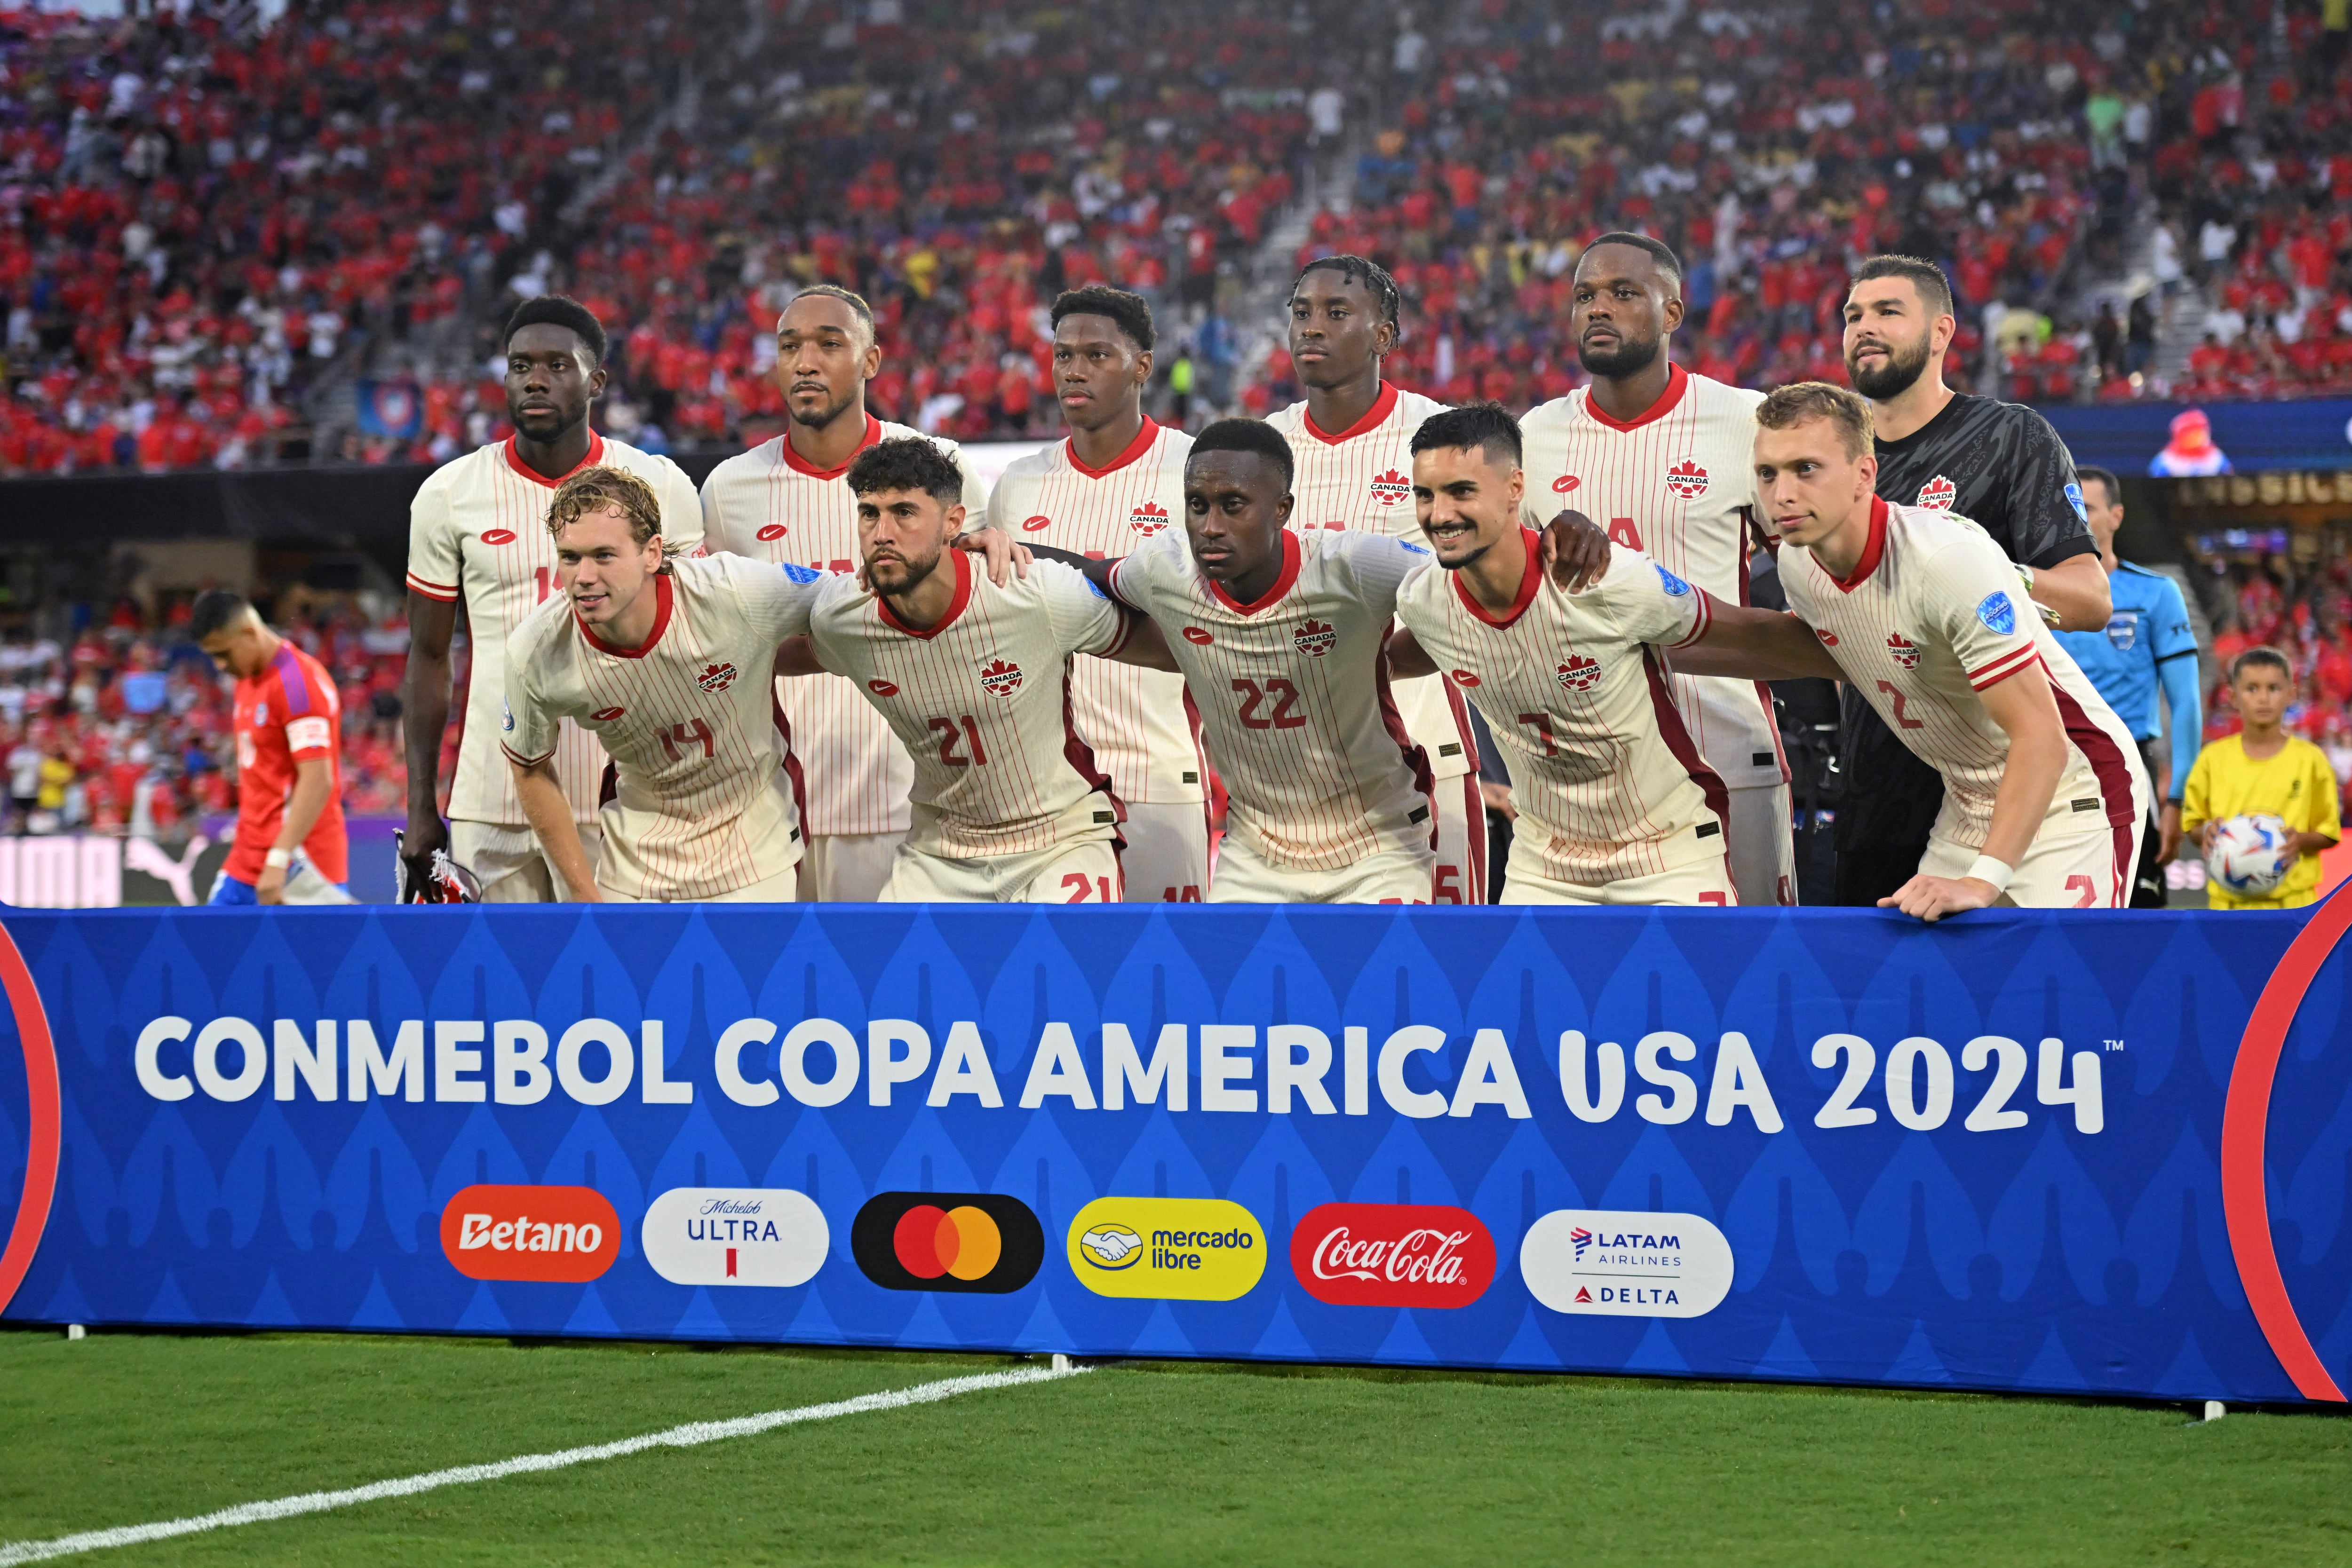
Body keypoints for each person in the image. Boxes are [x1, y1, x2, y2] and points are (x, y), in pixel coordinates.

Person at [1387, 404, 1842, 905]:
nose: (1440, 514)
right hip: (1543, 865)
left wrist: (1875, 664)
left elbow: (1748, 636)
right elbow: (1388, 662)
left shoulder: (1604, 579)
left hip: (1665, 855)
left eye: (1461, 491)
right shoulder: (1424, 601)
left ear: (1515, 487)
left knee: (1702, 984)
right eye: (1424, 495)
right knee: (1525, 987)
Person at [1738, 383, 2145, 918]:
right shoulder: (1799, 566)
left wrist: (1982, 882)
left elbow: (2041, 737)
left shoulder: (1945, 560)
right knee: (1941, 988)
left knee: (2058, 990)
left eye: (1805, 469)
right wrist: (1657, 630)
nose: (1781, 493)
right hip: (1967, 800)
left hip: (2071, 789)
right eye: (1768, 473)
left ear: (1864, 474)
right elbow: (1824, 653)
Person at [1037, 420, 1441, 903]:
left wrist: (1391, 661)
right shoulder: (1165, 568)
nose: (1210, 527)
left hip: (1377, 847)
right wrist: (997, 550)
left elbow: (1461, 586)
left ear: (1281, 510)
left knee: (1374, 979)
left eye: (1233, 506)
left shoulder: (1353, 566)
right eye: (1197, 505)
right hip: (1255, 854)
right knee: (1230, 980)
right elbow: (1088, 573)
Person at [1518, 232, 1796, 907]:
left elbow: (1817, 568)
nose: (1599, 309)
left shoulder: (1747, 421)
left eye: (1623, 293)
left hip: (1728, 752)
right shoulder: (1533, 436)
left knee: (1750, 981)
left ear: (1672, 313)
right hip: (1584, 773)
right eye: (1585, 296)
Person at [403, 295, 702, 902]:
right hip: (493, 795)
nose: (535, 379)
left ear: (595, 381)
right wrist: (419, 805)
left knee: (615, 986)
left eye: (557, 366)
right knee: (500, 988)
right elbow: (429, 656)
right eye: (520, 366)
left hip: (623, 794)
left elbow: (694, 641)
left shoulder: (661, 484)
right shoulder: (449, 493)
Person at [1835, 254, 2111, 907]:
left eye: (1887, 311)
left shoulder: (2010, 437)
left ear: (1941, 332)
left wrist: (1978, 573)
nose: (1863, 327)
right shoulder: (1832, 463)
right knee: (1874, 1008)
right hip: (1872, 794)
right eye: (1852, 315)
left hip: (2001, 799)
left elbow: (2092, 599)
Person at [698, 285, 988, 901]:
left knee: (898, 994)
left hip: (907, 799)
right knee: (780, 997)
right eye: (790, 347)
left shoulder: (939, 466)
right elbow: (716, 640)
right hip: (768, 810)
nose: (807, 362)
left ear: (871, 361)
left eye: (830, 344)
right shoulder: (729, 488)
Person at [791, 438, 1170, 902]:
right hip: (940, 854)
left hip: (1060, 841)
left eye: (904, 512)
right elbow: (748, 657)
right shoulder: (842, 620)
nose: (882, 532)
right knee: (898, 974)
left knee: (1063, 970)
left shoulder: (1030, 593)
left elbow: (1177, 649)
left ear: (953, 522)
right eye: (869, 513)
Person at [1264, 256, 1487, 904]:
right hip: (1290, 779)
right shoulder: (1257, 450)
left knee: (1444, 981)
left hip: (1426, 754)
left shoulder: (1443, 441)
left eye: (1337, 313)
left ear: (1384, 335)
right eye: (1302, 313)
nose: (1313, 327)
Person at [502, 467, 826, 903]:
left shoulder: (733, 590)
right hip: (633, 862)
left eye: (604, 555)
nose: (583, 576)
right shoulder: (536, 651)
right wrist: (583, 896)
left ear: (652, 553)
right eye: (570, 557)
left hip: (756, 850)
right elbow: (529, 767)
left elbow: (847, 601)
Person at [984, 287, 1209, 901]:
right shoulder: (1019, 486)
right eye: (1063, 355)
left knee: (1165, 983)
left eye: (1097, 355)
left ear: (1143, 365)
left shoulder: (1194, 471)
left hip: (1159, 775)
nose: (1074, 370)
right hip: (1046, 788)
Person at [2050, 466, 2202, 905]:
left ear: (2117, 517)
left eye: (2088, 507)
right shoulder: (2034, 590)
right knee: (2053, 907)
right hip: (2052, 765)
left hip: (2130, 765)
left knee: (2140, 914)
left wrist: (2177, 798)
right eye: (2068, 507)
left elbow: (2187, 702)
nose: (2075, 517)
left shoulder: (2156, 594)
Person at [191, 590, 353, 905]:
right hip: (246, 861)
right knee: (207, 949)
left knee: (318, 956)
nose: (220, 665)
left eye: (224, 653)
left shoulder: (298, 684)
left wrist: (279, 859)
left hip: (300, 866)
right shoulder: (246, 680)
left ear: (250, 632)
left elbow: (318, 780)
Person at [2181, 648, 2341, 911]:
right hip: (2227, 906)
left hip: (2293, 907)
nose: (2264, 698)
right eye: (2252, 689)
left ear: (2292, 694)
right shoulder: (2213, 758)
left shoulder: (2311, 760)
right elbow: (2193, 824)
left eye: (2274, 688)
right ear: (2233, 696)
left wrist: (2299, 842)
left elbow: (2330, 832)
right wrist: (2206, 833)